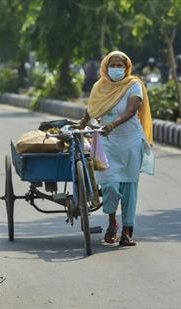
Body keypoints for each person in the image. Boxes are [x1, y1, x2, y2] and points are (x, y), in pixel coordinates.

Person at [74, 51, 153, 247]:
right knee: (109, 185)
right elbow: (92, 108)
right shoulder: (99, 86)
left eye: (120, 66)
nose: (116, 69)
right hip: (104, 141)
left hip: (130, 142)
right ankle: (112, 223)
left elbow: (132, 111)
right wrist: (82, 124)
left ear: (126, 68)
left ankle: (126, 232)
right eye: (112, 65)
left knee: (129, 188)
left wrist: (112, 124)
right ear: (105, 66)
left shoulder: (134, 85)